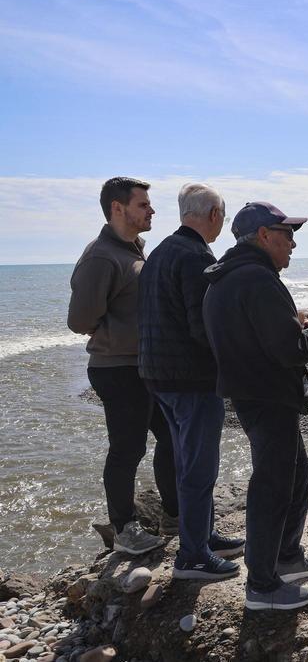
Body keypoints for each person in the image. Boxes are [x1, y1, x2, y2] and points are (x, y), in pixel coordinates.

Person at [203, 201, 308, 610]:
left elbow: (256, 331)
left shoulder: (228, 277)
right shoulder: (257, 279)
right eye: (287, 234)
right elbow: (289, 348)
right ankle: (262, 584)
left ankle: (286, 558)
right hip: (268, 396)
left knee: (295, 475)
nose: (293, 243)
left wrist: (295, 318)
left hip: (254, 394)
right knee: (273, 486)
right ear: (263, 236)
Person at [138, 183, 246, 580]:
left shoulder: (161, 251)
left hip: (157, 373)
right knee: (199, 467)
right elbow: (202, 326)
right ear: (214, 215)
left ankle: (200, 535)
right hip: (191, 378)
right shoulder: (195, 255)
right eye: (224, 215)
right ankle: (193, 556)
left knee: (187, 460)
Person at [68, 177, 178, 555]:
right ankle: (124, 530)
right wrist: (120, 333)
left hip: (142, 365)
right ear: (118, 208)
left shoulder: (133, 250)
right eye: (143, 204)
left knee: (172, 437)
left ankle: (175, 517)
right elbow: (79, 320)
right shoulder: (102, 256)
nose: (151, 210)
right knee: (128, 450)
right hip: (117, 368)